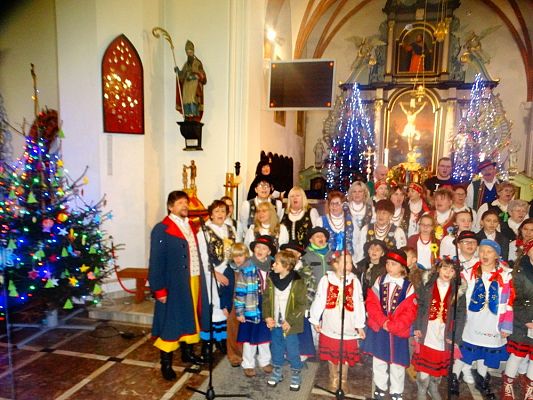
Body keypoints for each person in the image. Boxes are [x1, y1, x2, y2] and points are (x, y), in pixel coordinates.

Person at [149, 191, 209, 380]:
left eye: (186, 203)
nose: (185, 206)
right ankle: (165, 363)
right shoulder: (162, 229)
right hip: (173, 284)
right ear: (170, 207)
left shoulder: (191, 226)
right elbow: (156, 261)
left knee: (190, 317)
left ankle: (187, 353)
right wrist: (159, 289)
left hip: (193, 278)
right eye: (180, 203)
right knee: (170, 321)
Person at [450, 239, 514, 399]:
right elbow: (457, 294)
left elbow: (508, 302)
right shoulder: (468, 272)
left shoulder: (505, 275)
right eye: (482, 250)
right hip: (471, 321)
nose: (485, 254)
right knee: (464, 353)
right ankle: (453, 379)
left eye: (489, 251)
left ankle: (481, 381)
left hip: (493, 323)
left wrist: (506, 325)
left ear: (497, 256)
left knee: (486, 353)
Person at [363, 249, 418, 400]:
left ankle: (396, 390)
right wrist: (383, 321)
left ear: (402, 267)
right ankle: (380, 386)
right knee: (379, 359)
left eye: (393, 264)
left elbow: (410, 311)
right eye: (387, 263)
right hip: (380, 328)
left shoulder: (408, 287)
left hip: (397, 331)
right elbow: (372, 302)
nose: (389, 266)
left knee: (397, 363)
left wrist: (394, 325)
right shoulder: (380, 280)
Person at [310, 251, 366, 392]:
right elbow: (320, 299)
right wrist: (315, 318)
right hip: (331, 323)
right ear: (335, 264)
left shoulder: (354, 281)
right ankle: (333, 378)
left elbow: (359, 303)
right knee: (333, 353)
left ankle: (343, 379)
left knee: (344, 354)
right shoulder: (326, 280)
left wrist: (359, 325)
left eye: (351, 262)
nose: (350, 265)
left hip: (348, 324)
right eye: (346, 262)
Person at [412, 257, 465, 400]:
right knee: (424, 368)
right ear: (438, 269)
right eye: (445, 268)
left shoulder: (458, 291)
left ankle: (433, 387)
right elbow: (420, 306)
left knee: (437, 367)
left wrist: (456, 336)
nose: (448, 272)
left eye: (452, 270)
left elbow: (461, 316)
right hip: (427, 330)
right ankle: (422, 389)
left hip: (443, 333)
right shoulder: (428, 285)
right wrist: (417, 326)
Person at [196, 200, 237, 360]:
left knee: (225, 306)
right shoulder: (204, 232)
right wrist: (215, 273)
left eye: (223, 211)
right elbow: (203, 256)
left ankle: (221, 340)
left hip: (229, 271)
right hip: (212, 273)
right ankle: (208, 343)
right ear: (211, 214)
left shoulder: (230, 229)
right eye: (217, 211)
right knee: (214, 306)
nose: (220, 214)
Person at [263, 250, 307, 391]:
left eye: (276, 263)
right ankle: (277, 370)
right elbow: (266, 299)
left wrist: (290, 320)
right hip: (275, 321)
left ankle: (296, 372)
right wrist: (268, 316)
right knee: (276, 347)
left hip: (290, 324)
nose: (273, 265)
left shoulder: (297, 281)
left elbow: (301, 303)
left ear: (287, 266)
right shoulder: (271, 278)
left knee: (292, 348)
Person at [235, 235, 275, 377]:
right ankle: (248, 363)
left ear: (269, 252)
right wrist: (239, 311)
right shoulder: (247, 266)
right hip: (250, 305)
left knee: (265, 335)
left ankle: (264, 361)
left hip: (266, 306)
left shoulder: (273, 266)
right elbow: (240, 289)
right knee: (250, 337)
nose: (260, 250)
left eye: (264, 248)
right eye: (257, 247)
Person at [502, 241, 533, 399]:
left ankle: (530, 388)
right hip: (523, 322)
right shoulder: (519, 271)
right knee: (517, 355)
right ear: (528, 251)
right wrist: (527, 320)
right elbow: (516, 299)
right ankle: (507, 384)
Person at [226, 243, 249, 367]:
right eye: (235, 256)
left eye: (241, 255)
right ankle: (234, 355)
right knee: (233, 328)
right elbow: (224, 290)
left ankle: (247, 354)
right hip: (233, 303)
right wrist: (225, 305)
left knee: (246, 329)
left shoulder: (251, 268)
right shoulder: (229, 270)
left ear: (246, 255)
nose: (238, 259)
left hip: (248, 301)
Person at [317, 191, 356, 256]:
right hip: (327, 261)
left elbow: (356, 243)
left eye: (337, 203)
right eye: (332, 203)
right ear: (329, 206)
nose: (334, 206)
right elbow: (317, 244)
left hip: (348, 261)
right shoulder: (320, 221)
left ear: (343, 205)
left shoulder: (352, 220)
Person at [175, 40, 206, 122]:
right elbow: (182, 76)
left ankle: (193, 116)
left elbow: (203, 76)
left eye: (190, 52)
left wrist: (194, 76)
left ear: (193, 52)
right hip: (186, 86)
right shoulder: (186, 64)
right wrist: (178, 72)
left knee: (192, 99)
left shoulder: (197, 63)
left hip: (194, 86)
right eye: (188, 52)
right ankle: (188, 116)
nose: (189, 54)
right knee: (186, 99)